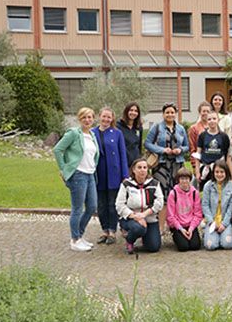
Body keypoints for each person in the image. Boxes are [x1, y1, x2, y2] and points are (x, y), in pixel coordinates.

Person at [54, 107, 99, 252]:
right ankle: (75, 240)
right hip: (78, 175)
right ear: (79, 119)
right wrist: (64, 169)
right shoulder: (73, 133)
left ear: (93, 119)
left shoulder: (92, 135)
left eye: (90, 117)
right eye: (84, 117)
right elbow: (57, 149)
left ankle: (79, 235)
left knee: (92, 206)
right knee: (77, 209)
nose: (87, 120)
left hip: (90, 174)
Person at [92, 107, 129, 245]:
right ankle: (104, 230)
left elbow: (123, 155)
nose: (106, 119)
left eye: (109, 117)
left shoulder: (117, 133)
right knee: (101, 204)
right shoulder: (92, 132)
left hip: (114, 173)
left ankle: (112, 231)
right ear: (99, 116)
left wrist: (125, 175)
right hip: (99, 172)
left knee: (112, 204)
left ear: (112, 118)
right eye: (104, 116)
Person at [144, 102, 189, 207]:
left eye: (172, 112)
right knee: (161, 191)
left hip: (177, 164)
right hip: (161, 164)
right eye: (167, 112)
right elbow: (147, 143)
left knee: (177, 190)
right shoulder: (157, 127)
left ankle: (176, 214)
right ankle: (162, 215)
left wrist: (180, 150)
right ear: (163, 114)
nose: (170, 115)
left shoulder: (181, 129)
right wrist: (162, 150)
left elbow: (187, 146)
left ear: (175, 114)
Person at [115, 157, 164, 254]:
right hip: (130, 218)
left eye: (145, 168)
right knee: (138, 228)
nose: (142, 170)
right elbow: (119, 205)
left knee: (154, 247)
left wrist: (144, 214)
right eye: (139, 167)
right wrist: (135, 216)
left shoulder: (154, 183)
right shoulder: (126, 184)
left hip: (149, 218)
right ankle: (130, 240)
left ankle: (145, 237)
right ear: (133, 170)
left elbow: (159, 202)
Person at [201, 160, 232, 250]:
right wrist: (211, 222)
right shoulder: (208, 186)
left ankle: (222, 235)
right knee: (210, 245)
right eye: (216, 172)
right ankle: (208, 234)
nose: (219, 174)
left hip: (225, 221)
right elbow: (205, 205)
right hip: (212, 221)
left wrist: (224, 224)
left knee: (227, 244)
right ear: (213, 173)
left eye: (222, 172)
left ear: (226, 172)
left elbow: (231, 207)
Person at [166, 167, 203, 252]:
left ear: (190, 179)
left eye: (186, 178)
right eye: (182, 179)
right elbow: (170, 216)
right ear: (178, 180)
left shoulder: (195, 193)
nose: (184, 181)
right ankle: (176, 236)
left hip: (190, 224)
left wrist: (191, 228)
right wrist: (180, 228)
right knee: (183, 247)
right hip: (178, 225)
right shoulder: (173, 194)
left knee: (195, 246)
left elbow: (198, 214)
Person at [196, 112, 230, 186]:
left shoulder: (224, 136)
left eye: (214, 119)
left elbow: (227, 156)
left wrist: (228, 172)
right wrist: (197, 172)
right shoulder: (202, 135)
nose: (212, 121)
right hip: (206, 168)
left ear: (218, 120)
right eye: (209, 119)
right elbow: (198, 154)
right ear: (206, 121)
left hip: (219, 170)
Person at [188, 101, 211, 182]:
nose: (206, 113)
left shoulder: (215, 127)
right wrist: (195, 166)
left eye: (208, 111)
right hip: (200, 163)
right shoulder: (194, 128)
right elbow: (192, 148)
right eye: (203, 111)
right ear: (199, 112)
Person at [117, 102, 143, 168]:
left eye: (136, 111)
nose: (133, 113)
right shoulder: (118, 126)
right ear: (126, 111)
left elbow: (139, 146)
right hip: (123, 163)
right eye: (131, 110)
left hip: (136, 163)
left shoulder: (139, 127)